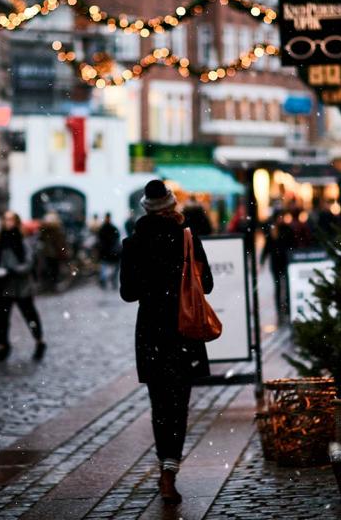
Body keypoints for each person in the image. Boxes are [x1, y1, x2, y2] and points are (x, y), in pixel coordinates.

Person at [120, 180, 213, 504]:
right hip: (183, 330)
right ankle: (170, 471)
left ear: (146, 208)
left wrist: (149, 280)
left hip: (151, 332)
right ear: (172, 206)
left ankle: (164, 467)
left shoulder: (133, 243)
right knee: (179, 404)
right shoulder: (186, 238)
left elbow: (128, 293)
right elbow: (209, 285)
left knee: (160, 405)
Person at [0, 211, 47, 362]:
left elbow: (28, 263)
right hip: (5, 284)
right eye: (5, 220)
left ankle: (39, 341)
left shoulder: (23, 240)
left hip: (22, 285)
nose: (7, 223)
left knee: (29, 315)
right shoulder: (1, 240)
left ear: (16, 222)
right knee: (2, 318)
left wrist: (14, 270)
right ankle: (2, 346)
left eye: (10, 220)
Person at [261, 210, 295, 324]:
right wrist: (262, 261)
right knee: (278, 287)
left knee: (287, 286)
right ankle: (280, 310)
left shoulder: (286, 229)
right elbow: (267, 246)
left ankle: (287, 308)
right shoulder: (272, 231)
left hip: (284, 261)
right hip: (276, 262)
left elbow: (292, 244)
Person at [38, 212, 68, 292]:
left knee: (52, 269)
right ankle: (52, 284)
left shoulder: (47, 231)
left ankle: (51, 284)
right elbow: (61, 242)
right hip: (53, 253)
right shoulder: (55, 231)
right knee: (53, 269)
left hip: (51, 253)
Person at [97, 213, 121, 289]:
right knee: (112, 267)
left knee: (104, 267)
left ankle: (105, 281)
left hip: (106, 251)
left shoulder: (103, 228)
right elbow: (116, 238)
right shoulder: (113, 228)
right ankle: (111, 280)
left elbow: (100, 240)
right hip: (110, 251)